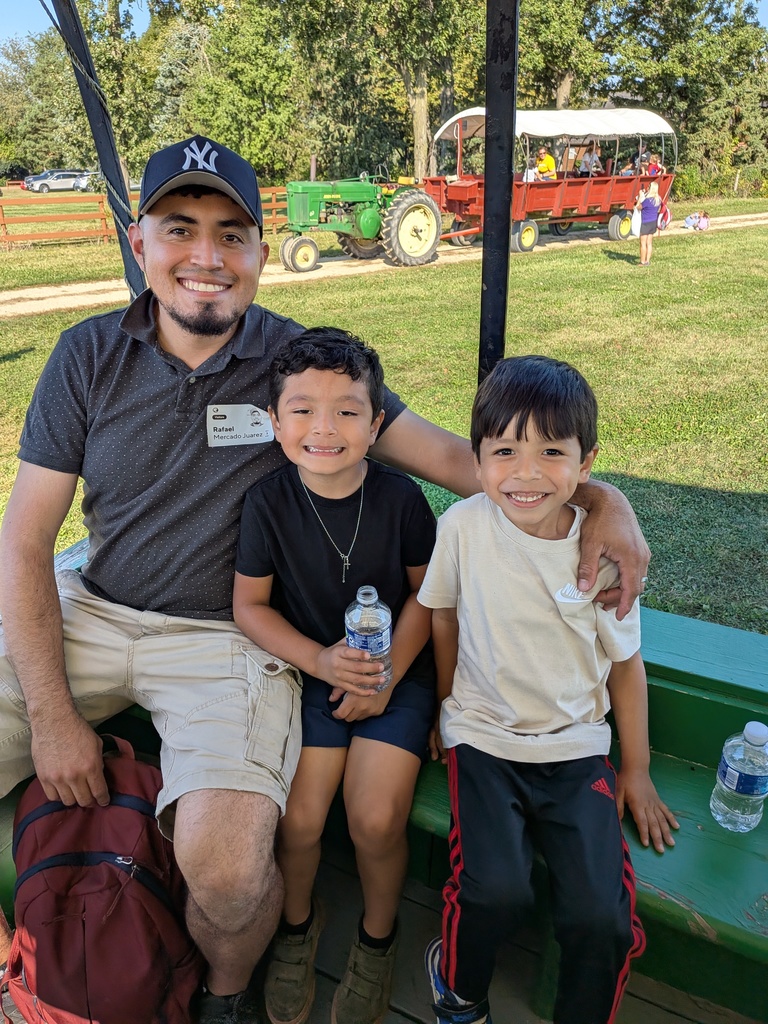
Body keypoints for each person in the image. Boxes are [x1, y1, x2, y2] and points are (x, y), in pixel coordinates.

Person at [0, 134, 649, 1023]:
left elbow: (475, 464)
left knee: (230, 872)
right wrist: (48, 713)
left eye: (233, 234)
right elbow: (28, 545)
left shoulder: (300, 366)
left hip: (223, 640)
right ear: (137, 239)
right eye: (180, 228)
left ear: (263, 253)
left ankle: (225, 997)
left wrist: (608, 503)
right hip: (91, 608)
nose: (207, 257)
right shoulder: (86, 357)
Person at [417, 355, 679, 1024]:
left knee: (601, 916)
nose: (526, 472)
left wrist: (638, 769)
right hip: (483, 736)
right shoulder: (463, 528)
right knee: (493, 890)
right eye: (504, 450)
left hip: (576, 751)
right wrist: (447, 709)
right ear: (477, 459)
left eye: (551, 452)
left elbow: (626, 665)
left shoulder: (604, 553)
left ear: (587, 461)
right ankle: (459, 992)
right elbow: (443, 615)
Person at [233, 327, 436, 1024]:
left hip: (399, 675)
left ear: (377, 423)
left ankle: (378, 939)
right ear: (274, 424)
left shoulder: (403, 500)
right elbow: (249, 607)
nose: (325, 428)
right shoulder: (266, 504)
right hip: (315, 672)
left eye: (348, 411)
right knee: (298, 821)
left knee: (375, 819)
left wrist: (387, 680)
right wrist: (322, 662)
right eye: (302, 410)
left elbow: (429, 600)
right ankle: (297, 929)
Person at [635, 180, 661, 266]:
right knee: (649, 243)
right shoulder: (658, 200)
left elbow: (638, 207)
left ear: (651, 189)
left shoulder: (647, 201)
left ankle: (642, 261)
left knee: (643, 243)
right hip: (653, 222)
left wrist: (640, 197)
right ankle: (647, 261)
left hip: (645, 222)